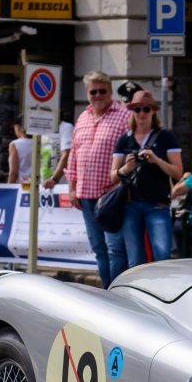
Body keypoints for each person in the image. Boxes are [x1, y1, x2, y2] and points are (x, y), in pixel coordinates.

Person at [66, 70, 131, 288]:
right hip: (86, 194)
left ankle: (117, 293)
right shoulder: (82, 117)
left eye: (102, 91)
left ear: (110, 91)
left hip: (112, 194)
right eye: (93, 91)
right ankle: (107, 291)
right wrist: (72, 187)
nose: (97, 95)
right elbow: (74, 154)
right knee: (98, 248)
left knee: (115, 248)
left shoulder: (123, 115)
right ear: (87, 93)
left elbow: (130, 150)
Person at [110, 89, 183, 269]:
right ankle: (137, 295)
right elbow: (113, 176)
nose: (141, 113)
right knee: (134, 260)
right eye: (137, 109)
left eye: (146, 109)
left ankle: (163, 294)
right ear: (132, 111)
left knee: (162, 256)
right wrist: (126, 168)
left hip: (157, 205)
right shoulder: (124, 140)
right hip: (130, 204)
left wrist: (156, 160)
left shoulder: (166, 137)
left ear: (153, 111)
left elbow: (178, 172)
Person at [40, 112, 75, 191]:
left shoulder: (66, 127)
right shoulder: (42, 130)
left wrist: (54, 179)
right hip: (43, 184)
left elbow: (67, 154)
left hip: (60, 185)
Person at [6, 118, 33, 185]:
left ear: (18, 128)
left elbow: (14, 172)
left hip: (22, 185)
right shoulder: (41, 142)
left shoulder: (15, 144)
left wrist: (8, 188)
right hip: (38, 185)